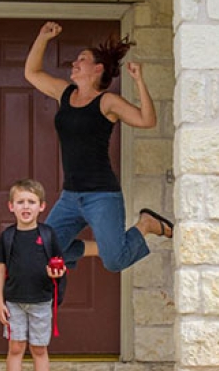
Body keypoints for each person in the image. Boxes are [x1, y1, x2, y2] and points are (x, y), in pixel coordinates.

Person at [24, 21, 174, 272]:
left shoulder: (107, 102)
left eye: (81, 59)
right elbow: (32, 73)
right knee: (43, 251)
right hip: (70, 196)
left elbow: (147, 120)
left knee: (115, 262)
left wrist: (139, 81)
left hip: (102, 196)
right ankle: (100, 247)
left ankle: (146, 224)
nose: (74, 63)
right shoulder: (65, 93)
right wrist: (42, 38)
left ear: (97, 68)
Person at [0, 178, 66, 371]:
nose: (26, 207)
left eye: (31, 202)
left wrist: (56, 272)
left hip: (41, 302)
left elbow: (60, 266)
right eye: (21, 202)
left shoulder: (48, 234)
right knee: (15, 347)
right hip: (14, 302)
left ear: (42, 206)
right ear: (11, 206)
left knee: (39, 348)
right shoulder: (7, 236)